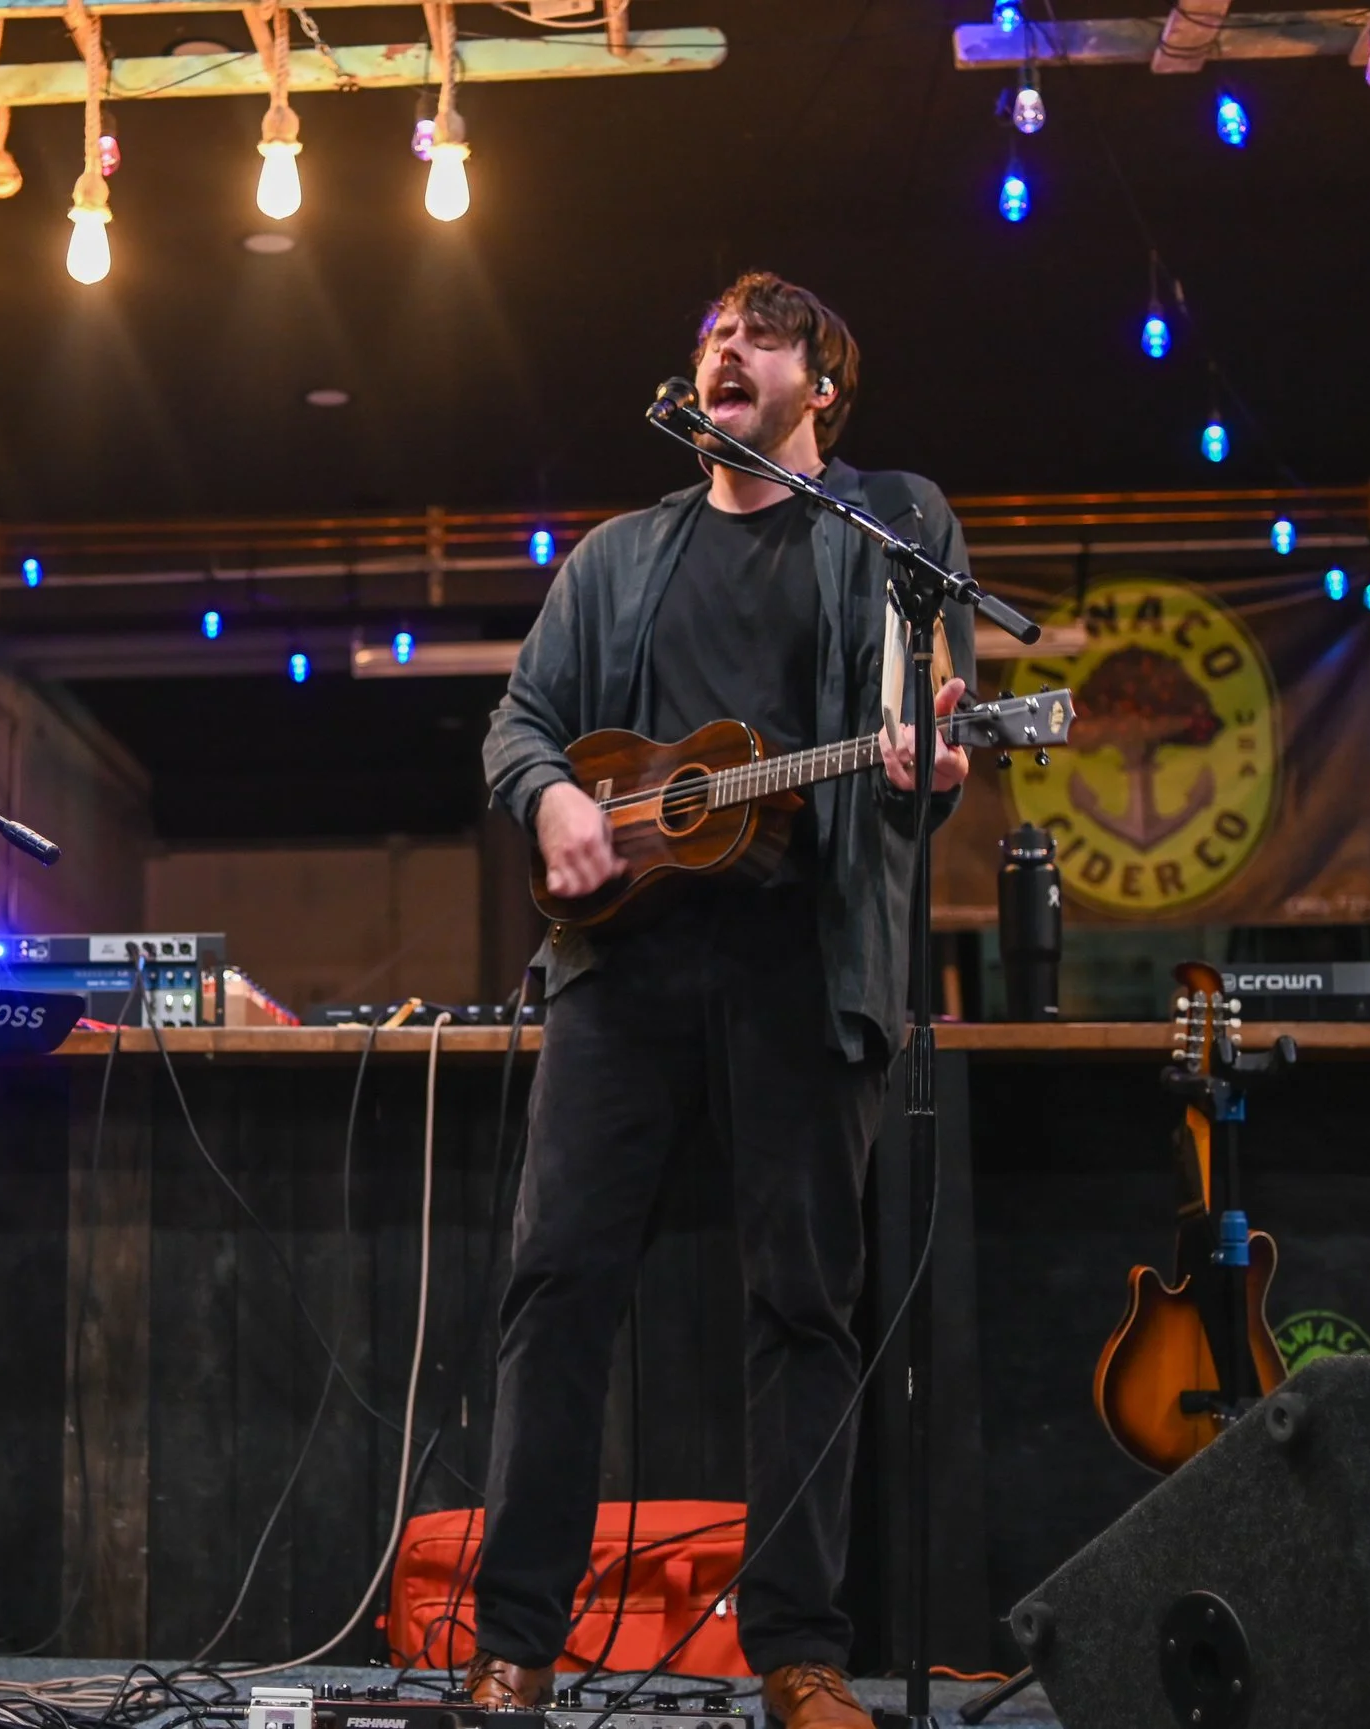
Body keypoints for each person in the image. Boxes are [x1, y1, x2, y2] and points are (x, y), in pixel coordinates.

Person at [474, 274, 976, 1729]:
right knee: (558, 1287)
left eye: (760, 336)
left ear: (821, 381)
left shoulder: (890, 525)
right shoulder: (620, 556)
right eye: (710, 336)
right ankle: (517, 1642)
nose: (725, 352)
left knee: (803, 1308)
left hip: (799, 963)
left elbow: (928, 710)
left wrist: (926, 750)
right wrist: (558, 793)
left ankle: (802, 1655)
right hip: (620, 968)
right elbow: (521, 718)